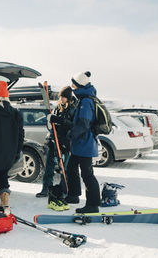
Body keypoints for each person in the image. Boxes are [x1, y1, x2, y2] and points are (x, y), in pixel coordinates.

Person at [65, 71, 101, 213]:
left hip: (85, 144)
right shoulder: (83, 99)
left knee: (87, 174)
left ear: (79, 85)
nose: (72, 86)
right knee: (71, 168)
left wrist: (71, 134)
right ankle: (74, 195)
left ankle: (93, 204)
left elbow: (84, 124)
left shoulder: (86, 101)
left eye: (74, 84)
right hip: (79, 144)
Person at [36, 86, 76, 211]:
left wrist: (60, 121)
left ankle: (63, 191)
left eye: (63, 97)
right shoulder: (57, 108)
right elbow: (51, 124)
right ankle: (46, 189)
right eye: (60, 97)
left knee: (64, 168)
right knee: (49, 166)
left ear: (68, 98)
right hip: (54, 141)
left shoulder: (73, 109)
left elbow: (73, 125)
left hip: (65, 143)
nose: (61, 99)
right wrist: (51, 120)